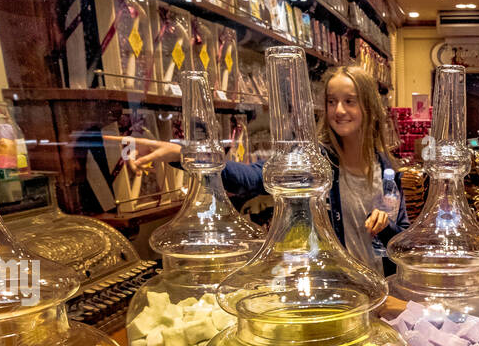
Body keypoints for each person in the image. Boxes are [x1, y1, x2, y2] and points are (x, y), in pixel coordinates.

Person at [121, 64, 409, 276]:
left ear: (369, 105)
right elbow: (252, 177)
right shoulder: (316, 160)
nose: (339, 111)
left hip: (378, 286)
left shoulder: (386, 171)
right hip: (335, 288)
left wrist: (386, 228)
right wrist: (181, 153)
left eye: (350, 101)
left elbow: (401, 240)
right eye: (331, 101)